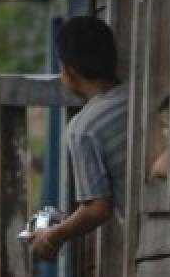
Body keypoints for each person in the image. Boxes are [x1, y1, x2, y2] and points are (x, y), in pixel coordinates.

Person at [31, 15, 128, 261]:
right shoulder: (137, 95)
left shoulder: (83, 128)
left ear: (68, 72)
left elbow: (98, 208)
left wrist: (53, 236)